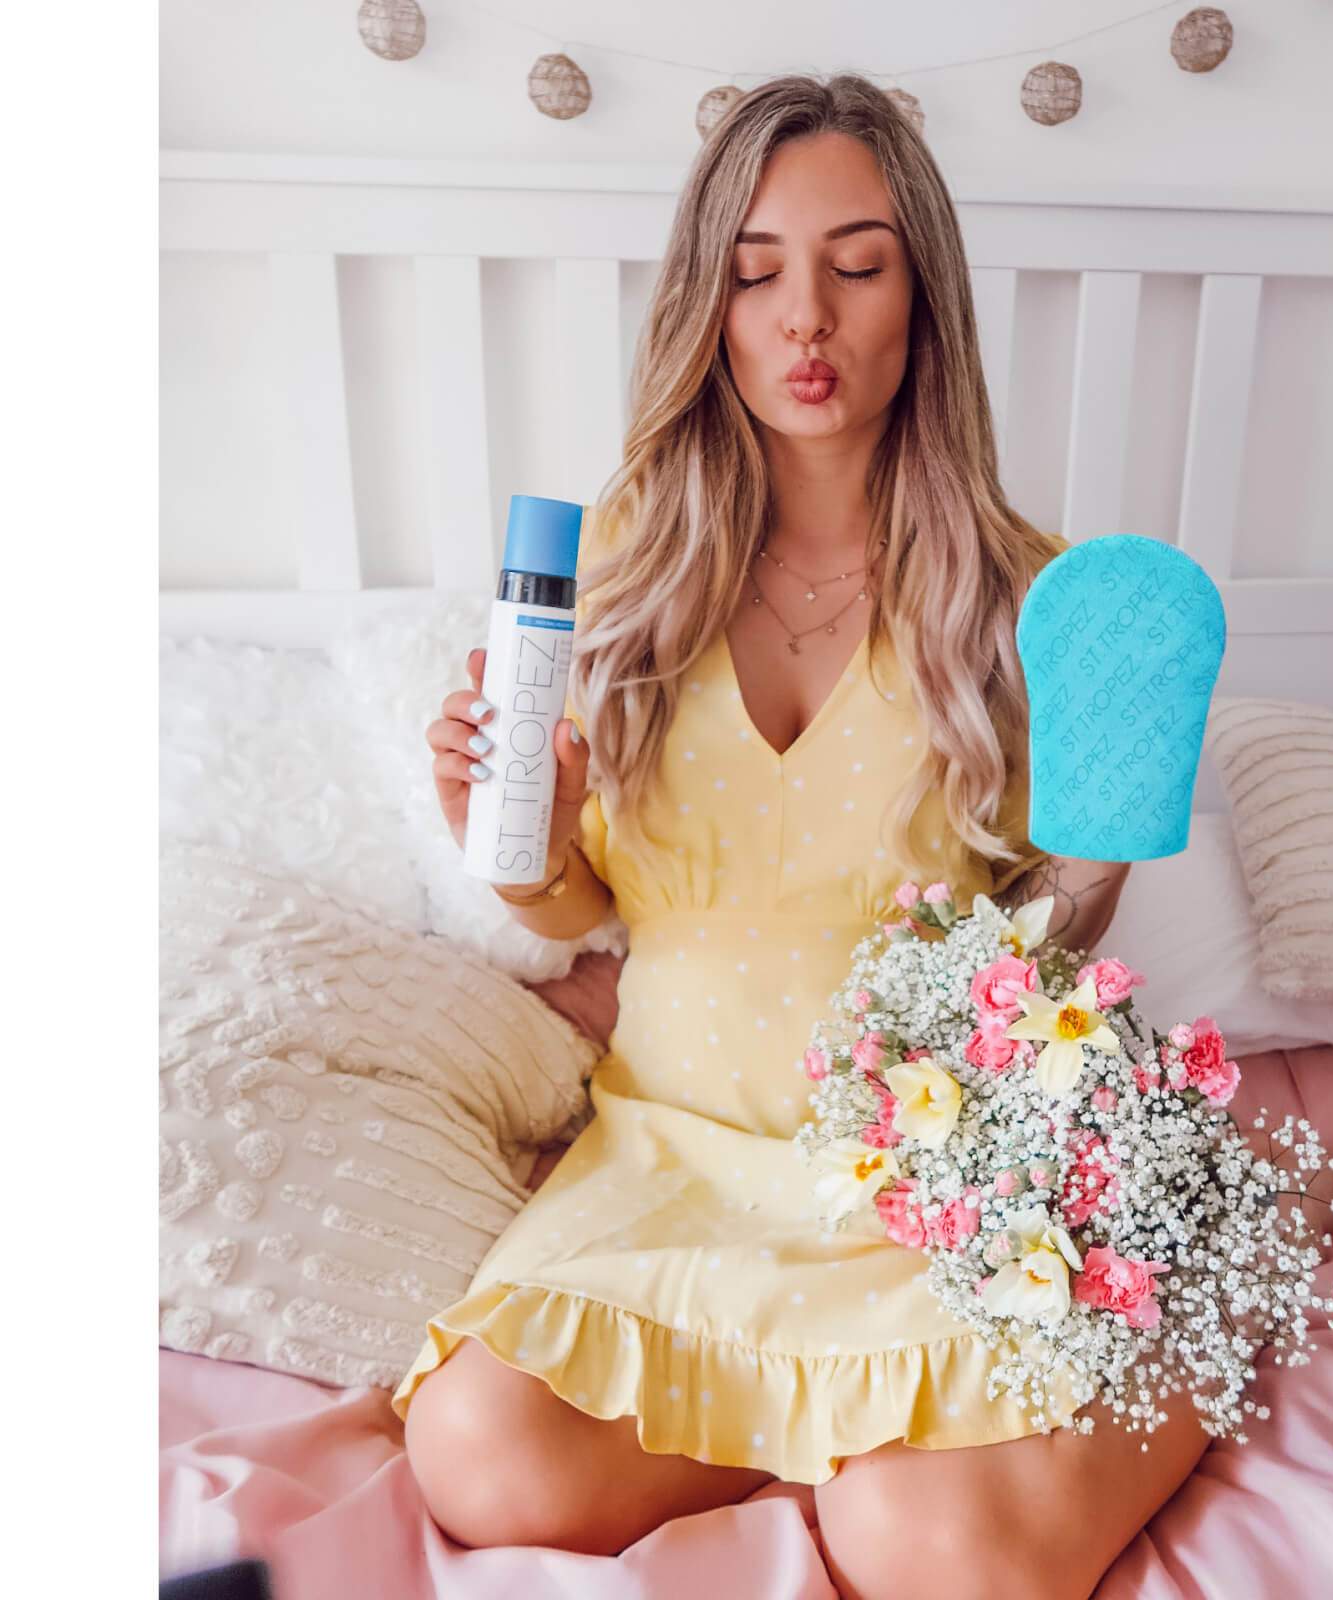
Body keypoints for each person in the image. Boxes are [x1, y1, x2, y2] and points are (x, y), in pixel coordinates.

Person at [398, 73, 1211, 1600]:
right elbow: (579, 908)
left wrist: (1100, 852)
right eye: (758, 271)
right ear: (708, 301)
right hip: (673, 1166)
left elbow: (1053, 935)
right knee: (480, 1453)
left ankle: (1059, 1383)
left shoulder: (1034, 600)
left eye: (856, 265)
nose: (805, 322)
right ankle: (844, 1422)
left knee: (941, 1552)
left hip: (919, 1183)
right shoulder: (627, 569)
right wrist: (517, 838)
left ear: (924, 296)